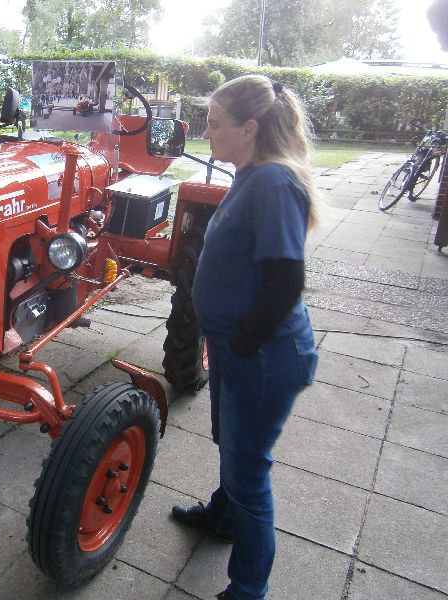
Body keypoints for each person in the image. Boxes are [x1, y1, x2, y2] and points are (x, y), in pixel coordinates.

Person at [170, 75, 319, 600]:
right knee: (230, 445)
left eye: (214, 124)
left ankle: (247, 589)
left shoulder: (275, 183)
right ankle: (222, 516)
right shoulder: (250, 174)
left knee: (250, 474)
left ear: (249, 128)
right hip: (239, 351)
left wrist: (241, 342)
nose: (206, 133)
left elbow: (284, 282)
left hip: (264, 358)